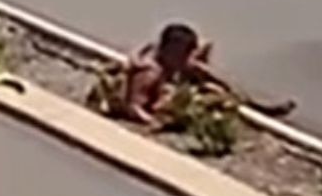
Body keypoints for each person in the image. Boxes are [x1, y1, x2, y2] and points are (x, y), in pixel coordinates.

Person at [120, 22, 295, 127]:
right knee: (213, 96)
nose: (187, 58)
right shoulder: (150, 73)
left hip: (172, 83)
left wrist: (199, 66)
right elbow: (134, 107)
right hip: (161, 100)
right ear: (169, 50)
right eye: (183, 53)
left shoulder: (169, 57)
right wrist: (155, 123)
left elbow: (205, 43)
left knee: (210, 79)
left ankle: (254, 103)